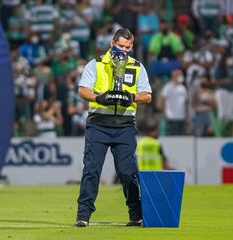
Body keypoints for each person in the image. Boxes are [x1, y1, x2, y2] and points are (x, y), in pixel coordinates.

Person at [75, 28, 152, 227]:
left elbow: (148, 95)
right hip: (98, 123)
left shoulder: (137, 67)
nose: (123, 50)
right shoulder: (96, 64)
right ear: (112, 43)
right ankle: (83, 215)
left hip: (125, 125)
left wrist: (132, 97)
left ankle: (136, 215)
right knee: (92, 169)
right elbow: (83, 90)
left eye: (127, 47)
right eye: (120, 46)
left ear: (132, 46)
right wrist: (99, 97)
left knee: (128, 172)